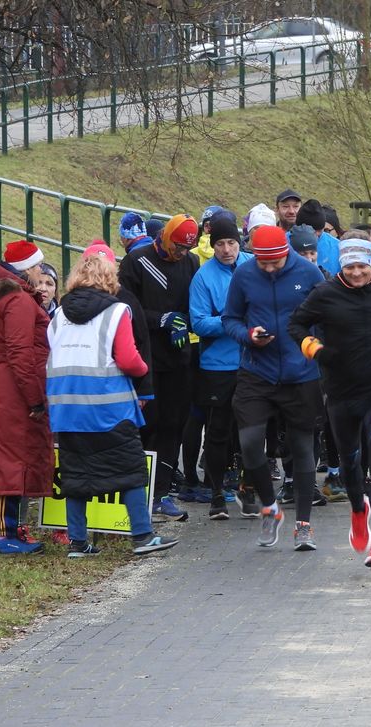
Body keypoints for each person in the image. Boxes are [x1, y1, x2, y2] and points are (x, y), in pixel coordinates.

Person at [288, 233, 371, 567]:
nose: (357, 273)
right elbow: (296, 324)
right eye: (350, 267)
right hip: (340, 389)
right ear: (342, 266)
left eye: (362, 266)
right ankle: (359, 510)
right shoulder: (325, 293)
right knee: (351, 465)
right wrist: (314, 348)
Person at [47, 243, 178, 558]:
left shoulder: (59, 313)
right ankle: (143, 536)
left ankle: (78, 543)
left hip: (66, 410)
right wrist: (144, 370)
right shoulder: (117, 310)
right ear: (109, 278)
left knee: (75, 475)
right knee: (130, 470)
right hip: (108, 408)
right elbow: (129, 359)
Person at [222, 224, 324, 550]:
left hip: (301, 374)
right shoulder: (244, 274)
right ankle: (270, 507)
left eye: (274, 263)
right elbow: (230, 319)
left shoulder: (309, 274)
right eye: (262, 263)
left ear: (286, 254)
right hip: (257, 372)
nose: (267, 268)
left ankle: (304, 525)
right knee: (250, 443)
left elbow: (328, 318)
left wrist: (315, 346)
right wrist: (248, 336)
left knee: (302, 448)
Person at [117, 214, 201, 522]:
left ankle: (162, 493)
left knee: (173, 424)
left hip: (179, 356)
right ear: (166, 238)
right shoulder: (137, 262)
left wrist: (184, 322)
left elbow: (196, 304)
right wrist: (159, 319)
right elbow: (125, 307)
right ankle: (137, 494)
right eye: (177, 247)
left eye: (186, 249)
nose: (180, 254)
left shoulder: (190, 263)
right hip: (145, 358)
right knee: (146, 426)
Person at [0, 263, 53, 554]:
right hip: (13, 389)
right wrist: (35, 397)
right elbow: (21, 352)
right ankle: (5, 533)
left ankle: (10, 529)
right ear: (26, 270)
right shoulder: (19, 301)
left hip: (4, 385)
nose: (40, 272)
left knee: (8, 458)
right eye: (37, 266)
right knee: (8, 461)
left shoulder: (5, 298)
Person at [190, 212, 253, 521]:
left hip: (253, 362)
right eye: (220, 244)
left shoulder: (252, 266)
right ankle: (216, 494)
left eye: (231, 243)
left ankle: (248, 488)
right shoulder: (203, 277)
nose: (227, 249)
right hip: (217, 365)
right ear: (212, 245)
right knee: (217, 431)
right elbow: (199, 322)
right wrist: (232, 322)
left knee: (252, 431)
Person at [294, 199, 340, 276]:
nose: (316, 235)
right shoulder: (284, 242)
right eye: (311, 231)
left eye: (320, 230)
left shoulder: (338, 247)